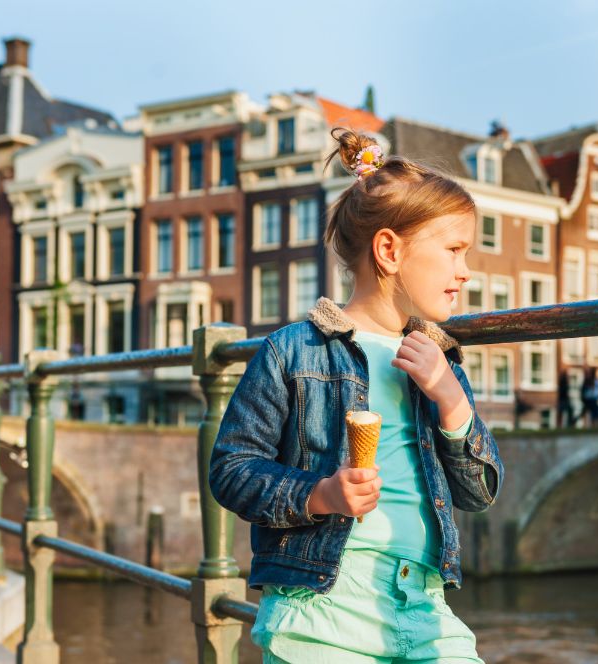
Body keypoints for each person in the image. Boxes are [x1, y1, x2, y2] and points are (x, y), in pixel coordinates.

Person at [209, 129, 502, 663]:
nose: (465, 270)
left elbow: (479, 493)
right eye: (454, 250)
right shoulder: (292, 351)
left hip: (425, 607)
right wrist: (320, 495)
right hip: (323, 608)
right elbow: (231, 469)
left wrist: (452, 402)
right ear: (388, 249)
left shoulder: (442, 361)